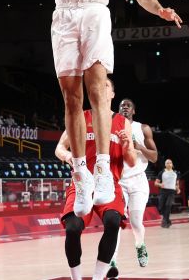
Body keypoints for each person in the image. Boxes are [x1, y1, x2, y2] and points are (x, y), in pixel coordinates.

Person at [36, 0, 181, 219]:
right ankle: (80, 172)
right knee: (71, 97)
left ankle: (102, 166)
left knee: (99, 90)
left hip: (94, 12)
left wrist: (159, 9)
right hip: (63, 15)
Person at [55, 106, 136, 280]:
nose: (101, 87)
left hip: (109, 183)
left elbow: (132, 162)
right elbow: (60, 147)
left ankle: (98, 278)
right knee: (72, 228)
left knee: (113, 222)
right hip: (82, 183)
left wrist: (127, 146)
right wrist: (67, 155)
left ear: (112, 93)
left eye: (106, 85)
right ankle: (76, 278)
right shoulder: (81, 116)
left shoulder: (122, 122)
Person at [111, 97, 157, 268]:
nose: (125, 107)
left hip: (138, 180)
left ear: (133, 111)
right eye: (122, 105)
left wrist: (139, 147)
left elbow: (154, 157)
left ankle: (140, 245)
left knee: (136, 222)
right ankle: (112, 260)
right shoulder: (111, 127)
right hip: (119, 181)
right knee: (114, 222)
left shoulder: (143, 128)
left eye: (128, 105)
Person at [154, 159, 180, 228]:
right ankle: (168, 220)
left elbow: (177, 184)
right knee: (161, 207)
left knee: (168, 205)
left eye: (170, 163)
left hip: (171, 191)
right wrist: (160, 185)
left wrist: (178, 189)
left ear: (172, 164)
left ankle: (165, 221)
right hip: (163, 191)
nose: (169, 164)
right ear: (165, 165)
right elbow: (155, 183)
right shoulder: (161, 172)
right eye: (167, 163)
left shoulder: (175, 173)